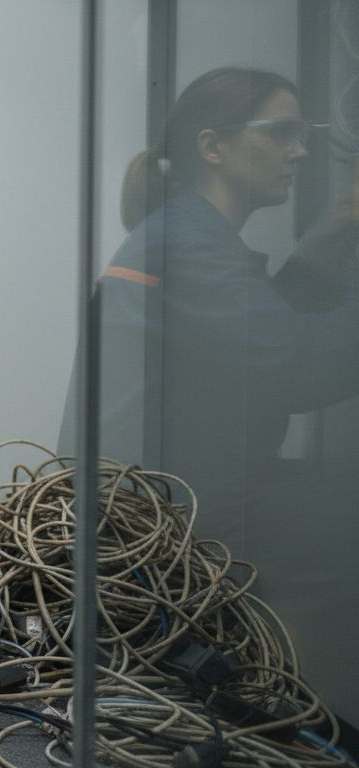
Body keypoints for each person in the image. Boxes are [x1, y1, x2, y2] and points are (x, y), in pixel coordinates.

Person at [86, 67, 359, 541]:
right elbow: (294, 364)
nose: (300, 151)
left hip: (172, 497)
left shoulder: (189, 235)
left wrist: (340, 223)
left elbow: (267, 323)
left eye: (299, 134)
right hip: (161, 523)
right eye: (280, 134)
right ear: (212, 148)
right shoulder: (188, 248)